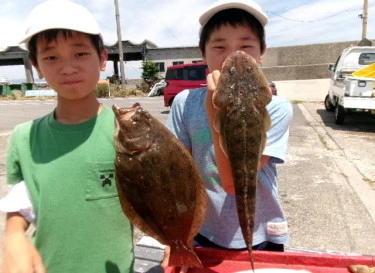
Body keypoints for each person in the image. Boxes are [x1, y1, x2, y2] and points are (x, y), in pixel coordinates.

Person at [1, 1, 134, 272]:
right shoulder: (23, 138)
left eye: (80, 53)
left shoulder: (132, 133)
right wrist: (13, 235)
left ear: (103, 58)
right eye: (51, 57)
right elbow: (22, 204)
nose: (68, 67)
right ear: (36, 65)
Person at [164, 0, 293, 269]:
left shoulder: (276, 107)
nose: (234, 56)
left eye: (245, 46)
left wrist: (215, 110)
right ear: (203, 54)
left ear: (262, 53)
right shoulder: (184, 103)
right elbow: (181, 180)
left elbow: (234, 184)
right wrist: (175, 236)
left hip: (261, 235)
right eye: (220, 47)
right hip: (203, 231)